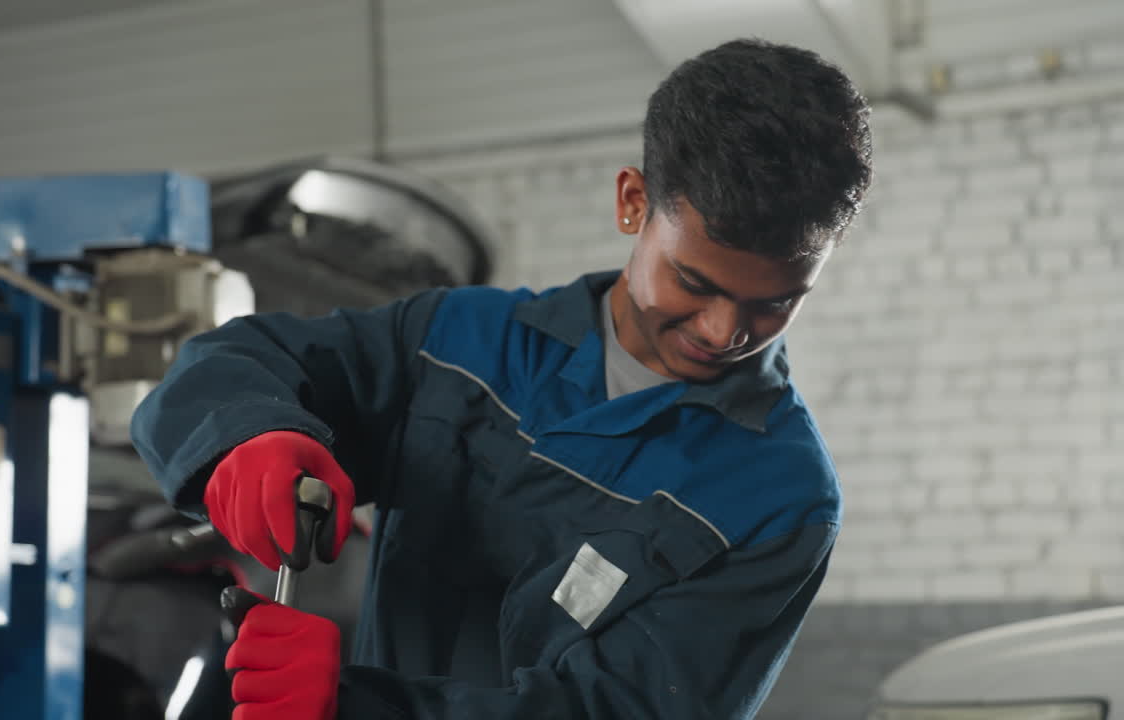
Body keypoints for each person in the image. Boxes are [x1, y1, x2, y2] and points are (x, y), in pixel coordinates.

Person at [131, 37, 873, 720]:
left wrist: (351, 707)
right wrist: (248, 436)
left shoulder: (778, 495)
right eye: (693, 281)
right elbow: (238, 363)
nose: (724, 330)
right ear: (633, 202)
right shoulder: (459, 344)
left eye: (775, 303)